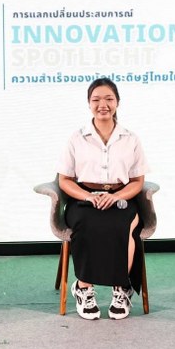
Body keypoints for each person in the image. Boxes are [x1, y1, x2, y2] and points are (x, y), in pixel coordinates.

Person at [57, 77, 150, 320]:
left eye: (109, 99)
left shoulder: (130, 138)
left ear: (117, 102)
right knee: (87, 223)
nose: (103, 105)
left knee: (122, 225)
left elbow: (137, 181)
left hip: (121, 197)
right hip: (83, 197)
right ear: (89, 103)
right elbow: (64, 180)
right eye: (96, 99)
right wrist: (88, 196)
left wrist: (116, 196)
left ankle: (122, 289)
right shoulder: (77, 138)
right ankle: (83, 288)